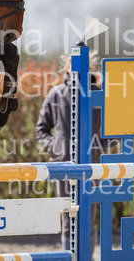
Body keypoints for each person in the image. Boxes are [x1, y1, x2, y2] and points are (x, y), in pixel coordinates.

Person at [35, 54, 107, 252]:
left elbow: (115, 130)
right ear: (67, 68)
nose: (77, 70)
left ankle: (87, 257)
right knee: (67, 218)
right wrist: (56, 148)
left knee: (89, 217)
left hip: (91, 167)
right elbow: (41, 129)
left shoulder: (99, 95)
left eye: (83, 66)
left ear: (90, 68)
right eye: (72, 65)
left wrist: (99, 147)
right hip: (63, 166)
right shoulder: (56, 94)